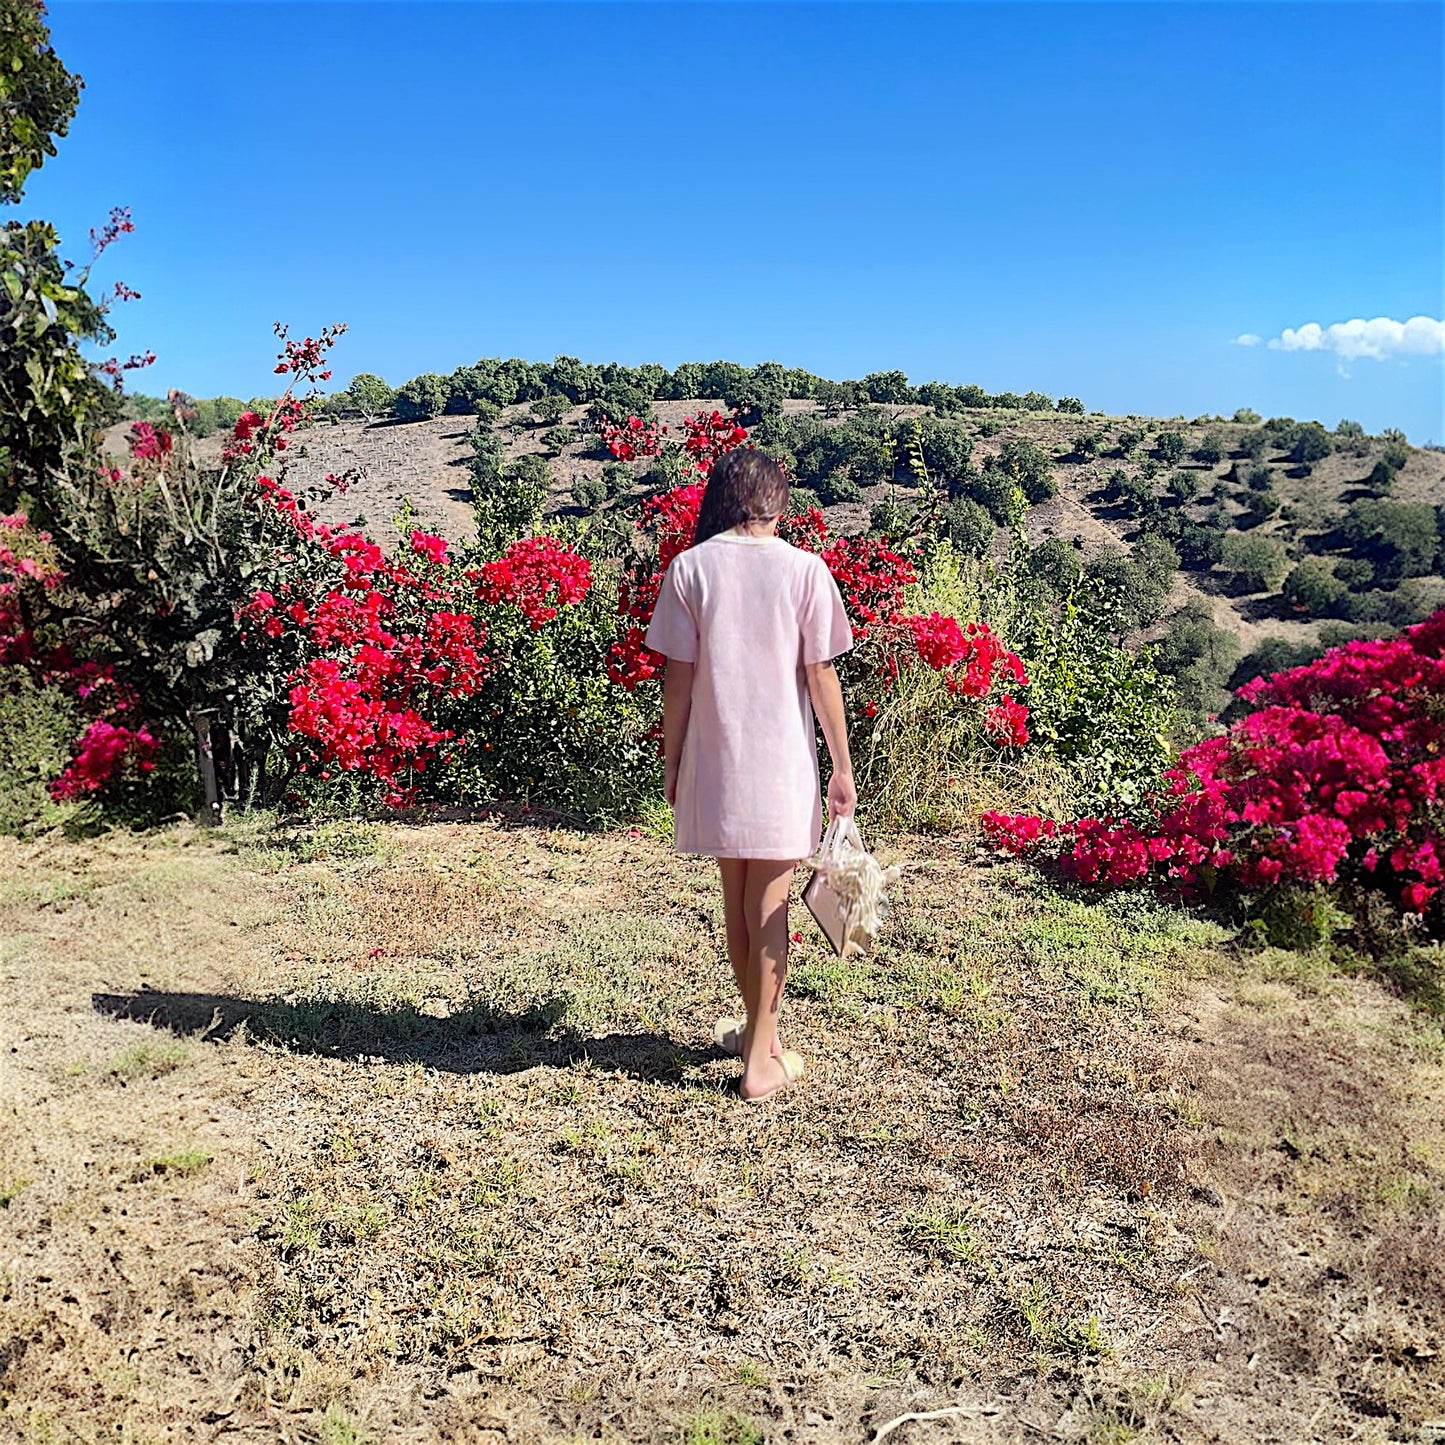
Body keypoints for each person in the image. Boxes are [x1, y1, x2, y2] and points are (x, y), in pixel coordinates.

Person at [644, 449, 856, 1102]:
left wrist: (673, 758)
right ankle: (761, 1062)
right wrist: (842, 767)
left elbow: (676, 679)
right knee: (767, 906)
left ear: (724, 498)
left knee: (739, 900)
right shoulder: (804, 570)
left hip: (715, 761)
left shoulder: (690, 568)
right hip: (781, 765)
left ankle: (756, 1035)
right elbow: (821, 674)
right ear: (777, 503)